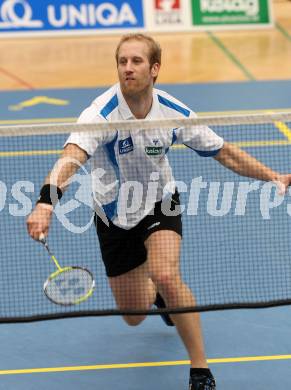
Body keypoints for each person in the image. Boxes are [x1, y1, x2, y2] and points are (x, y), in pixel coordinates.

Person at [27, 33, 291, 390]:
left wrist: (272, 175)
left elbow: (224, 152)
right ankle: (161, 299)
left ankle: (200, 369)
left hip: (160, 201)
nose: (127, 68)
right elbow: (71, 158)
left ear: (155, 69)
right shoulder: (100, 114)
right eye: (122, 62)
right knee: (134, 315)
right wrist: (46, 201)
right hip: (112, 215)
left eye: (136, 61)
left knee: (166, 273)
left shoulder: (174, 112)